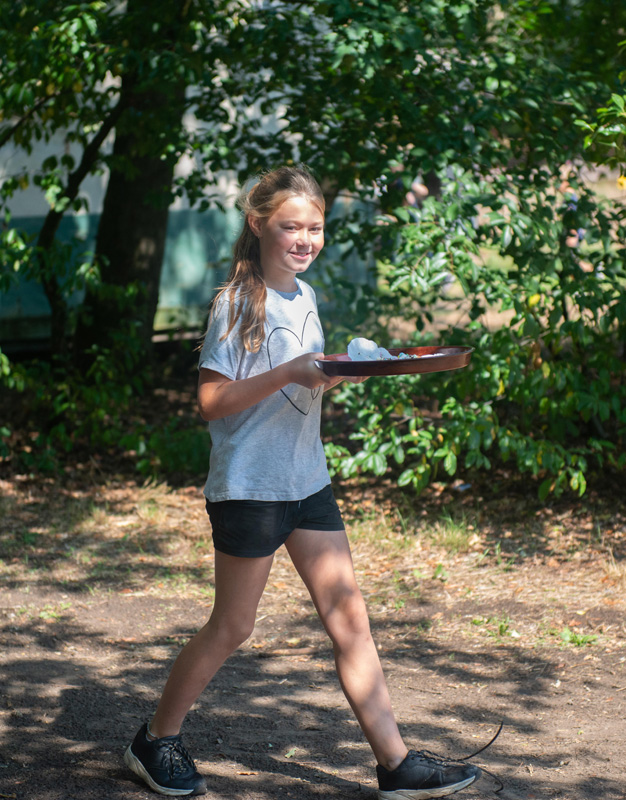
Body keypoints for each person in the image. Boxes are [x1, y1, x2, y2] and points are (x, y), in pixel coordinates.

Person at [123, 166, 484, 799]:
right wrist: (293, 371)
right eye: (292, 227)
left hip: (307, 482)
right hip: (250, 488)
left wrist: (339, 373)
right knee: (233, 626)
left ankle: (396, 766)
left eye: (315, 227)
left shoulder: (306, 296)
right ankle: (155, 740)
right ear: (258, 223)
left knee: (350, 620)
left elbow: (302, 385)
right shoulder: (237, 303)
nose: (305, 239)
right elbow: (211, 402)